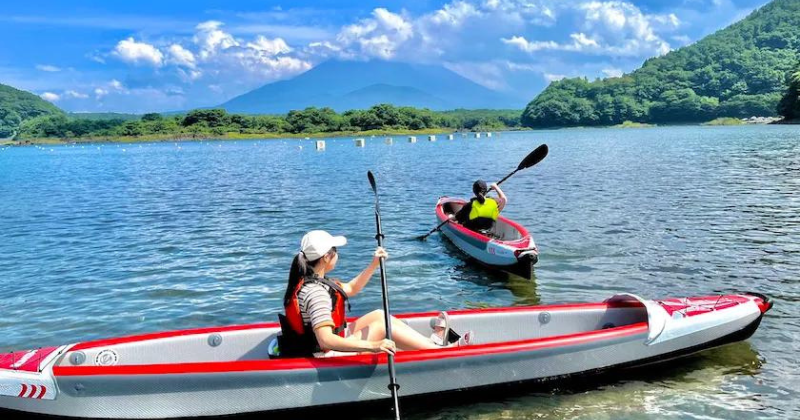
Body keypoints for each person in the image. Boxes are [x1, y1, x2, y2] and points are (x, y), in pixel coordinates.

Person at [280, 230, 472, 357]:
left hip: (327, 344)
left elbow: (352, 288)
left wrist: (374, 264)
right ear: (325, 257)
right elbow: (325, 339)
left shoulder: (313, 279)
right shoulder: (317, 294)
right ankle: (442, 353)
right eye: (335, 250)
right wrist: (374, 346)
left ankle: (432, 346)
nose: (338, 253)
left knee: (379, 315)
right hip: (326, 354)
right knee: (380, 326)